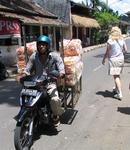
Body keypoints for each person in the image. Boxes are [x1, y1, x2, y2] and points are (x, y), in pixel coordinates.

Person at [17, 35, 65, 126]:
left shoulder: (54, 56)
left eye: (44, 45)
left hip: (50, 82)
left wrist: (59, 74)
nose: (41, 46)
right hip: (36, 82)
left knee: (54, 99)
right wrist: (21, 76)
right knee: (25, 95)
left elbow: (62, 70)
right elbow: (27, 70)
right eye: (39, 44)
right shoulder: (33, 56)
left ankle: (55, 115)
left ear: (48, 46)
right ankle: (29, 112)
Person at [102, 26, 127, 100]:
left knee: (115, 76)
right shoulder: (122, 40)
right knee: (118, 75)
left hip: (113, 60)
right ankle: (116, 89)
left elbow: (107, 52)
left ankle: (120, 93)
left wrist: (104, 59)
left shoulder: (110, 41)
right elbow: (125, 50)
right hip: (121, 59)